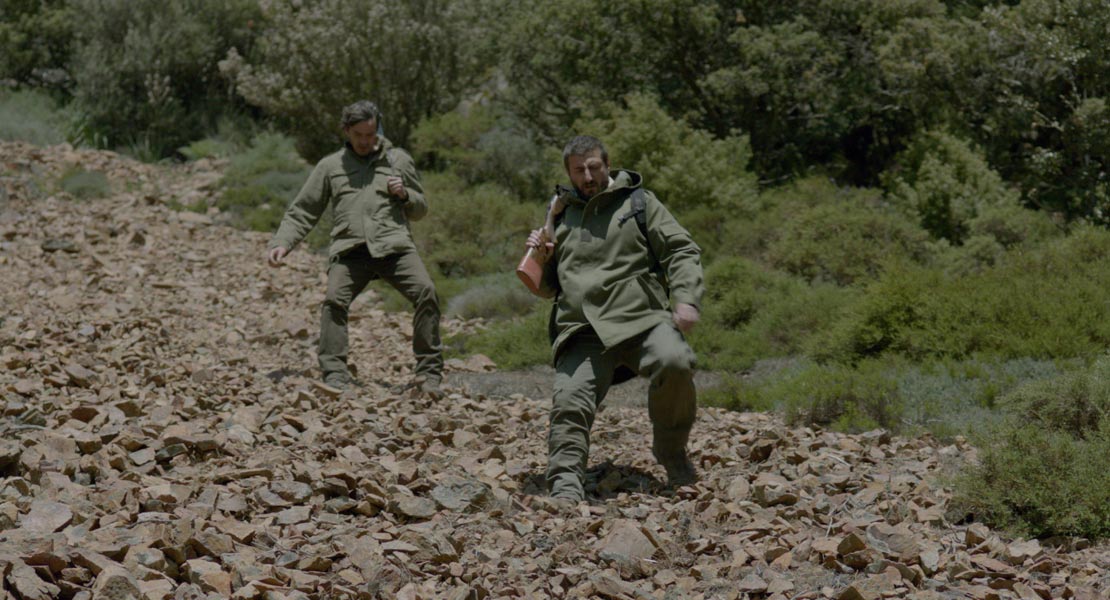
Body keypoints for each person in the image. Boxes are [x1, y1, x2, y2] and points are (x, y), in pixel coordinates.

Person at [525, 135, 704, 502]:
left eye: (593, 166)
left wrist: (686, 299)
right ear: (569, 173)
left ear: (607, 164)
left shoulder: (639, 202)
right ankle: (565, 486)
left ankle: (672, 456)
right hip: (583, 327)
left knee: (675, 361)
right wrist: (540, 257)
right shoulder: (559, 215)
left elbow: (682, 249)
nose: (587, 176)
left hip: (641, 318)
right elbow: (547, 289)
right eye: (579, 170)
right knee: (570, 401)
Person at [266, 100, 443, 395]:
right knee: (334, 300)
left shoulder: (398, 160)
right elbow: (304, 210)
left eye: (370, 134)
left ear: (378, 129)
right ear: (346, 131)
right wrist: (283, 242)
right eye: (359, 134)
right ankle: (335, 373)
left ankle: (430, 375)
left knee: (427, 292)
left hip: (394, 247)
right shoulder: (330, 166)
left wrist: (405, 195)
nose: (365, 141)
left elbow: (420, 209)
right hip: (351, 251)